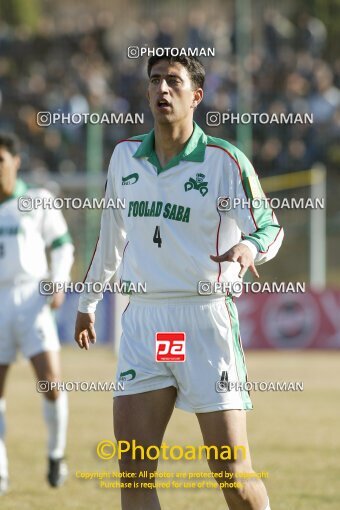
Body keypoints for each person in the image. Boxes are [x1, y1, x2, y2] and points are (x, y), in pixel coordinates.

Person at [75, 55, 283, 510]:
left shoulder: (224, 160)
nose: (162, 89)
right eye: (155, 81)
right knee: (132, 472)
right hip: (146, 323)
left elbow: (270, 227)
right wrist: (86, 301)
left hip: (205, 321)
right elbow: (110, 238)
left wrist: (249, 247)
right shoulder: (125, 156)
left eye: (174, 81)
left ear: (196, 96)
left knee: (232, 474)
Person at [0, 133, 73, 494]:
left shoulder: (36, 200)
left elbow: (62, 245)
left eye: (0, 160)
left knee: (50, 383)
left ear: (15, 162)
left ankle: (56, 454)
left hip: (31, 297)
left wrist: (58, 282)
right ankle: (0, 471)